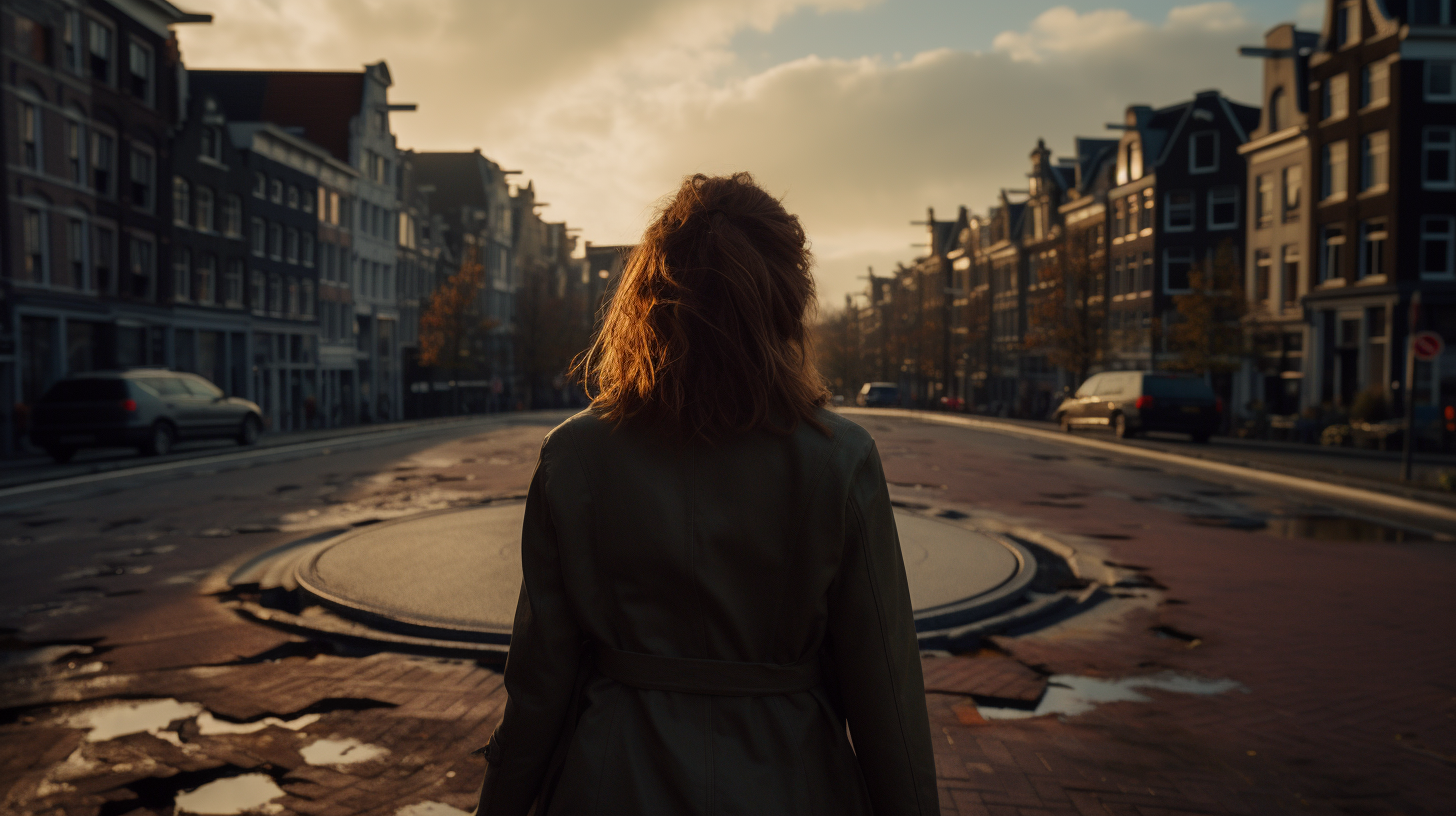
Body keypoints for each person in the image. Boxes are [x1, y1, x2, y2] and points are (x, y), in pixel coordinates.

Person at [475, 173, 938, 815]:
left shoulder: (575, 456)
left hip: (613, 780)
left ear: (648, 301)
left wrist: (500, 805)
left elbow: (539, 677)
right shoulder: (839, 459)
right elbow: (887, 687)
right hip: (791, 779)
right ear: (786, 300)